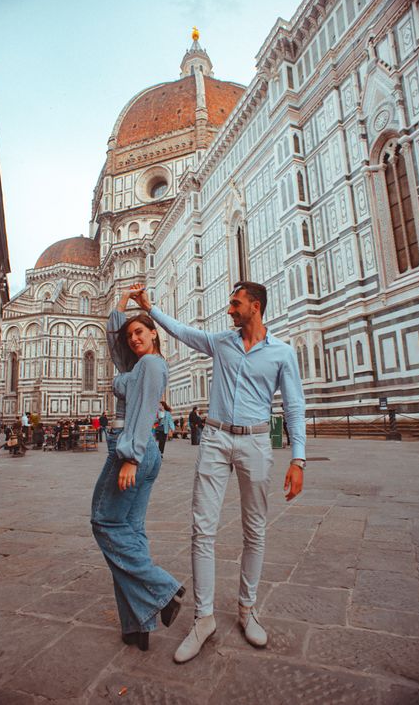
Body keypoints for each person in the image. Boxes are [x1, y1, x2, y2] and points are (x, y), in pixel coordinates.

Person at [129, 280, 306, 663]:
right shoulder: (221, 343)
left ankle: (247, 610)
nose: (229, 310)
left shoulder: (281, 353)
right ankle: (204, 617)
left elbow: (294, 406)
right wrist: (150, 307)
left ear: (254, 306)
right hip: (215, 438)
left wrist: (298, 459)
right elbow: (183, 332)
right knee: (202, 528)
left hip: (257, 442)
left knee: (254, 530)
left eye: (235, 304)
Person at [91, 289, 185, 652]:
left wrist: (129, 456)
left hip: (131, 450)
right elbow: (115, 345)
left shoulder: (149, 366)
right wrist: (122, 304)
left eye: (140, 333)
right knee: (129, 532)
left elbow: (145, 411)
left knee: (104, 523)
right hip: (144, 454)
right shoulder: (136, 364)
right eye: (130, 335)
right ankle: (137, 625)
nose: (132, 339)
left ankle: (164, 590)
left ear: (154, 334)